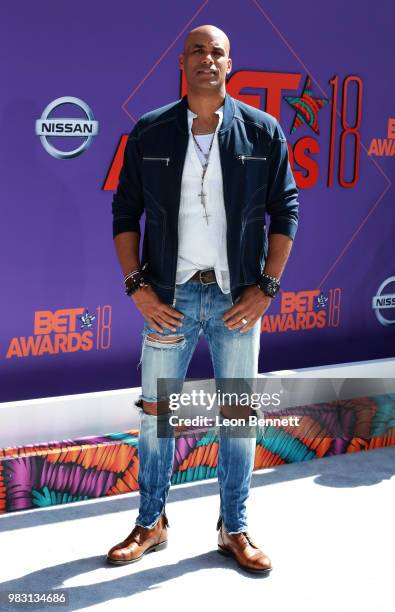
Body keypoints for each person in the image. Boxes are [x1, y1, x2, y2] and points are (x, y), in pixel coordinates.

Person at [106, 24, 299, 574]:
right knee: (156, 417)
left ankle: (233, 528)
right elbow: (125, 214)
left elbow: (286, 210)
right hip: (168, 297)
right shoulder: (151, 132)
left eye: (217, 53)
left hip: (237, 299)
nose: (207, 60)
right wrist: (136, 286)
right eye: (198, 51)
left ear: (230, 65)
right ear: (182, 63)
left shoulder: (262, 132)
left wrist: (266, 287)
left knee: (238, 418)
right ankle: (152, 522)